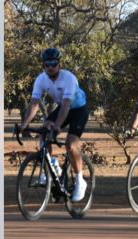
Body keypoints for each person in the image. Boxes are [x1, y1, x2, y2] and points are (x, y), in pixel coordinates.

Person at [20, 47, 89, 202]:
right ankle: (52, 165)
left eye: (53, 63)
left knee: (70, 145)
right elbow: (34, 104)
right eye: (47, 64)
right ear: (43, 66)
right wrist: (24, 124)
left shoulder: (69, 78)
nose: (50, 67)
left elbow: (65, 105)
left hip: (78, 110)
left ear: (59, 65)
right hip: (63, 109)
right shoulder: (41, 79)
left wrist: (57, 126)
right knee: (43, 132)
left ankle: (80, 181)